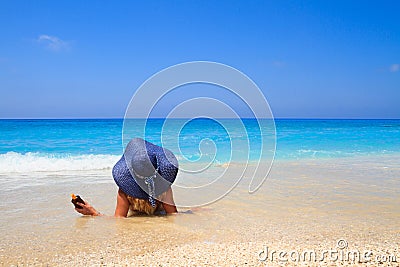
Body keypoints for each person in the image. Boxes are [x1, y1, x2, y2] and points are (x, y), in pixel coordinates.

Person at [74, 138, 178, 217]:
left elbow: (119, 220)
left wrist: (93, 212)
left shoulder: (125, 191)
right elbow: (173, 215)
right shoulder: (164, 188)